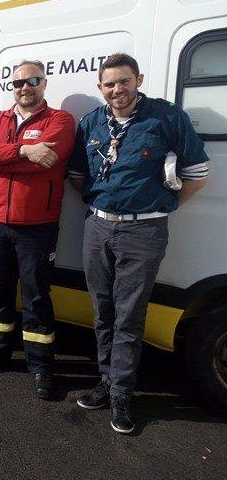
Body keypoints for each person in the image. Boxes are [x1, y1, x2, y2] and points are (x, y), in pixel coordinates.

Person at [68, 53, 209, 434]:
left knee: (129, 317)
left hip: (143, 233)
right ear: (101, 87)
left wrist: (158, 209)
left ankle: (121, 395)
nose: (117, 89)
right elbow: (78, 175)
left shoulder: (165, 117)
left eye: (124, 81)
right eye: (110, 84)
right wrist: (105, 208)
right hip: (98, 229)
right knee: (103, 311)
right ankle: (105, 380)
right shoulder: (92, 122)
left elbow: (198, 174)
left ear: (138, 80)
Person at [0, 60, 75, 400]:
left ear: (43, 83)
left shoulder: (60, 120)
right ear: (11, 88)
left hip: (37, 227)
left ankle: (41, 366)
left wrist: (8, 158)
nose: (24, 87)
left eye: (32, 81)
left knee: (36, 296)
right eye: (18, 83)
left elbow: (48, 159)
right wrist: (24, 150)